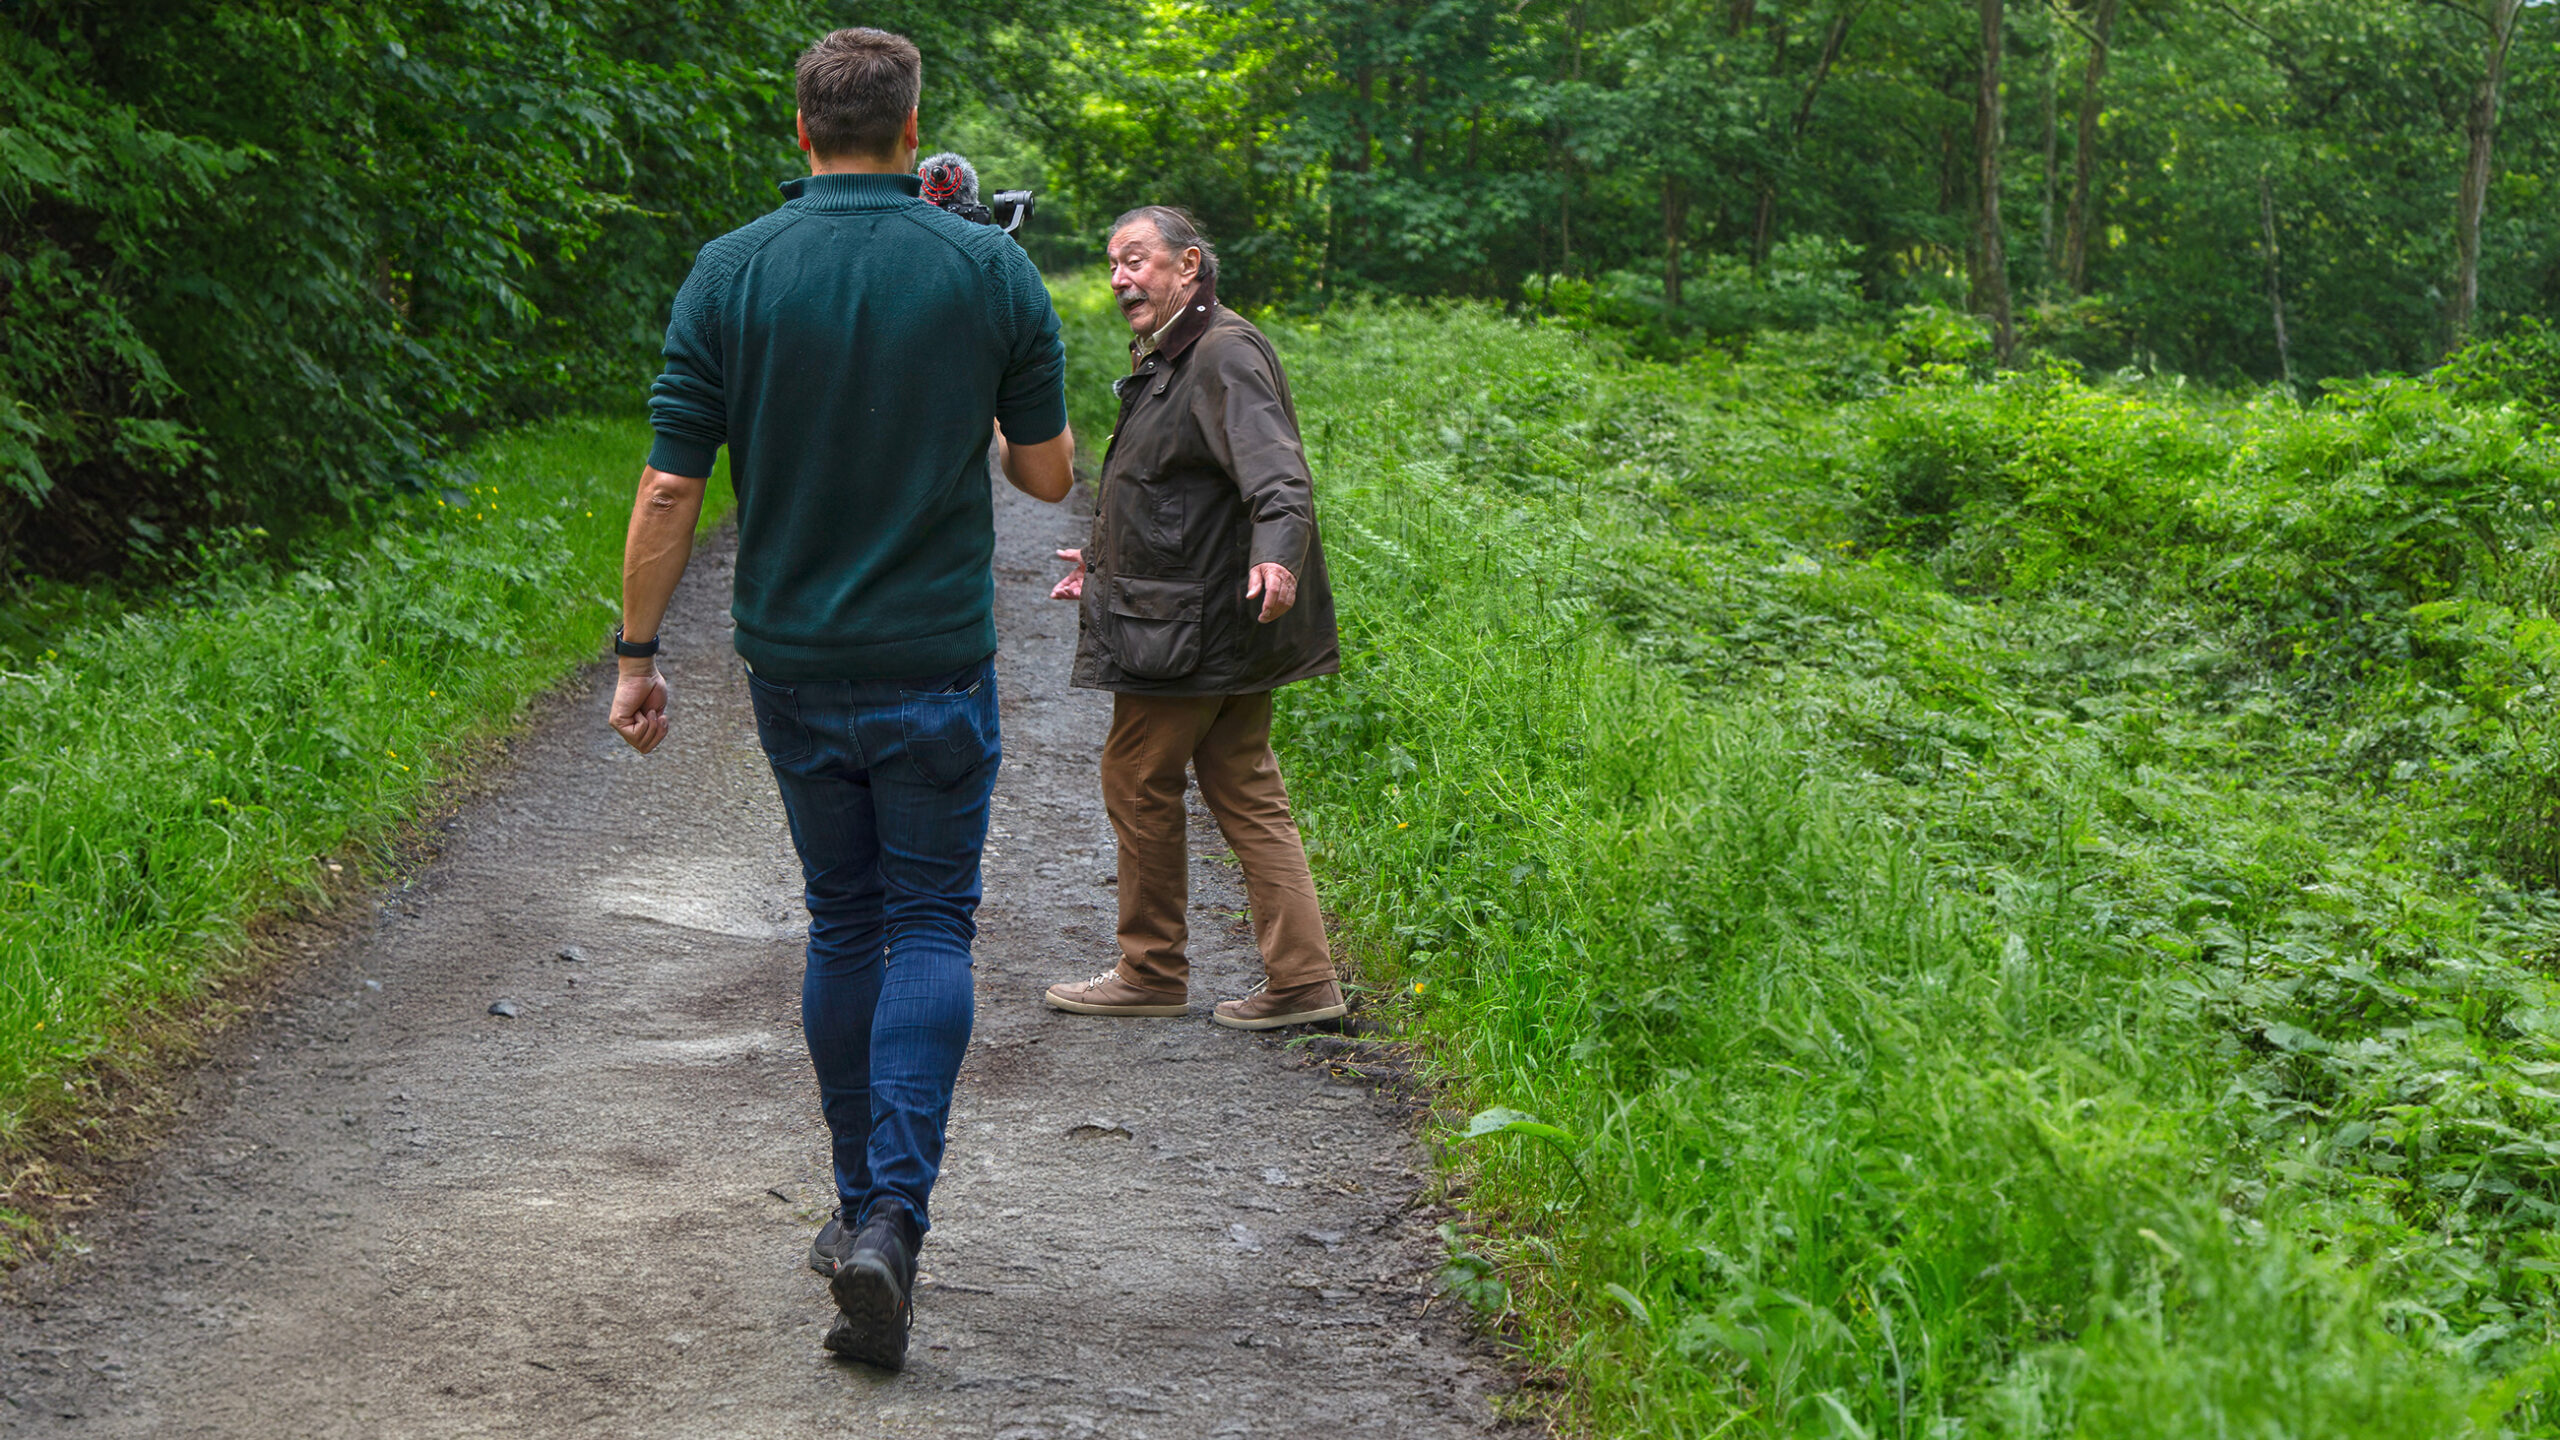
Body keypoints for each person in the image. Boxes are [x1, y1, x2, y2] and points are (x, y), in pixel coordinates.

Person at [606, 26, 1074, 1372]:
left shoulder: (731, 271)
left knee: (843, 916)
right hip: (935, 657)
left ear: (800, 132)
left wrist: (637, 655)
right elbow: (1048, 481)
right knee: (930, 917)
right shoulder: (989, 268)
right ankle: (890, 1220)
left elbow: (669, 489)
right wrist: (976, 407)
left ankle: (853, 1200)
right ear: (912, 122)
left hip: (795, 664)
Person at [1041, 206, 1346, 1031]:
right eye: (1113, 265)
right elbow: (1179, 494)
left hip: (1188, 632)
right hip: (1204, 614)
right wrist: (1103, 563)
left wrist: (1277, 554)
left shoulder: (1222, 353)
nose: (1119, 279)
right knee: (1245, 788)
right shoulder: (1180, 352)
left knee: (1137, 778)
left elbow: (1278, 476)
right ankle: (1303, 980)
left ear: (1189, 265)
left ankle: (1151, 969)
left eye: (1136, 260)